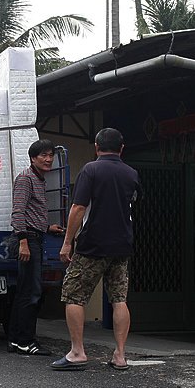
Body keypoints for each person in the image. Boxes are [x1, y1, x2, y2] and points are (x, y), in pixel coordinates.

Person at [51, 128, 140, 371]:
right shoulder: (131, 174)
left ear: (96, 147)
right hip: (122, 245)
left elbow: (79, 208)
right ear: (121, 149)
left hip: (93, 244)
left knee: (73, 294)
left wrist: (68, 241)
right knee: (119, 298)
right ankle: (120, 355)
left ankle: (77, 352)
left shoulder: (91, 170)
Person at [7, 138, 64, 355]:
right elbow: (18, 212)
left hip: (35, 236)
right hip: (28, 239)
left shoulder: (39, 179)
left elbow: (32, 212)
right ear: (33, 158)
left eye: (51, 155)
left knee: (25, 292)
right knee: (31, 293)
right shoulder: (26, 178)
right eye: (44, 155)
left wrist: (48, 227)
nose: (48, 159)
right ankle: (25, 341)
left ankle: (15, 340)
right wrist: (23, 241)